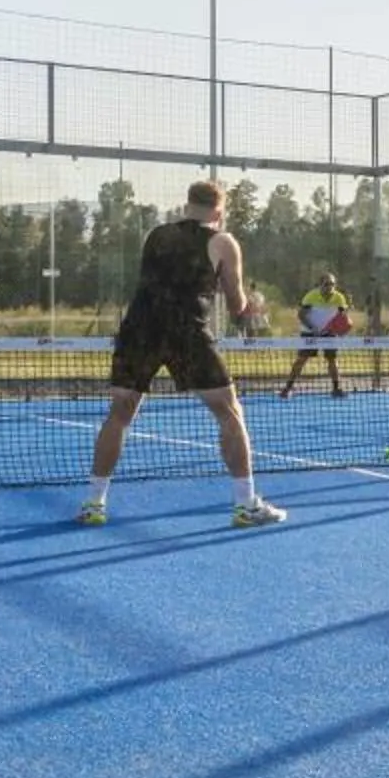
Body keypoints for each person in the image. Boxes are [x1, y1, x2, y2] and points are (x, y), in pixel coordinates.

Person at [80, 181, 281, 528]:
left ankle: (94, 504)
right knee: (230, 413)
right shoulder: (223, 242)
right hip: (186, 332)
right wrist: (250, 304)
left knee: (119, 414)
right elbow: (236, 305)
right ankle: (246, 505)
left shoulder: (157, 235)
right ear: (219, 210)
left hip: (138, 330)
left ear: (188, 205)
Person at [281, 268, 353, 399]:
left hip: (329, 334)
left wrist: (341, 328)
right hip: (310, 333)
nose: (330, 287)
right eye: (326, 284)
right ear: (320, 285)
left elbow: (343, 317)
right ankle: (287, 388)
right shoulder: (311, 296)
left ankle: (337, 389)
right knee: (301, 360)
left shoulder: (339, 298)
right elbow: (301, 315)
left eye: (332, 284)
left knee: (332, 360)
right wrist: (313, 328)